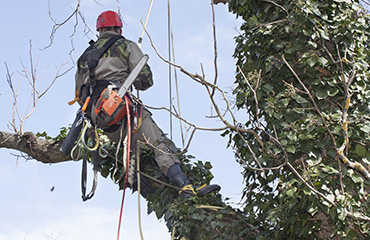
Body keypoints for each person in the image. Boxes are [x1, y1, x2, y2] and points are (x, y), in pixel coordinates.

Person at [71, 10, 220, 198]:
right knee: (157, 142)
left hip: (98, 117)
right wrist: (129, 77)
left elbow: (79, 94)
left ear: (99, 30)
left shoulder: (84, 57)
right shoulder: (126, 46)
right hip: (118, 106)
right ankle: (184, 186)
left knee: (130, 141)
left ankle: (134, 176)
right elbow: (146, 80)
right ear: (119, 28)